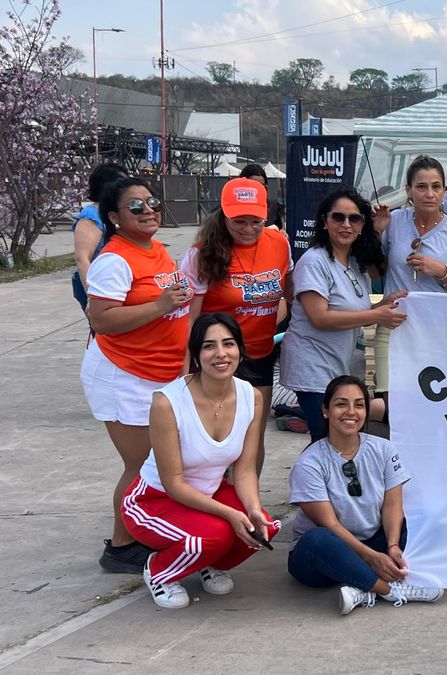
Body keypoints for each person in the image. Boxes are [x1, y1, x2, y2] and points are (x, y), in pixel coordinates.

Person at [121, 314, 279, 609]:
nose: (220, 354)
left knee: (263, 526)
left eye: (228, 344)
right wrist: (231, 515)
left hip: (209, 493)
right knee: (216, 534)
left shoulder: (252, 397)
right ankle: (159, 571)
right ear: (196, 354)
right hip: (154, 500)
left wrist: (253, 509)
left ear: (240, 351)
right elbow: (174, 483)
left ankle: (209, 564)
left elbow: (244, 470)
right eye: (209, 346)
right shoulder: (167, 402)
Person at [81, 176, 193, 573]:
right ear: (113, 217)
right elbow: (102, 319)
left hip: (157, 372)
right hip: (122, 374)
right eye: (136, 206)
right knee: (142, 462)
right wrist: (161, 305)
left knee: (159, 460)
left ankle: (144, 531)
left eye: (152, 202)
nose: (149, 210)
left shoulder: (156, 249)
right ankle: (121, 547)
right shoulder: (115, 259)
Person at [287, 375, 442, 615]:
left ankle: (361, 588)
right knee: (317, 539)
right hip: (323, 558)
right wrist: (372, 558)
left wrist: (391, 546)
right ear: (326, 410)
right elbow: (330, 525)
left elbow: (393, 505)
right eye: (341, 404)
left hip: (373, 541)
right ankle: (388, 590)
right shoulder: (310, 463)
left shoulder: (384, 449)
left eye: (359, 405)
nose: (351, 411)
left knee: (427, 516)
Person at [180, 178, 292, 473]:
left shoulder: (279, 243)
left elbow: (287, 291)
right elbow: (189, 318)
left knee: (252, 436)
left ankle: (248, 503)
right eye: (238, 221)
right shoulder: (202, 254)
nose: (248, 229)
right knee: (216, 436)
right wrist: (186, 371)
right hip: (217, 357)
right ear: (224, 216)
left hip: (259, 354)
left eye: (256, 221)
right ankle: (214, 501)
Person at [279, 189, 404, 441]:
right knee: (328, 439)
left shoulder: (354, 264)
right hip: (312, 368)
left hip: (335, 366)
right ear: (325, 221)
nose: (346, 225)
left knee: (332, 439)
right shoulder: (314, 261)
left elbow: (352, 312)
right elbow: (320, 317)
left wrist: (379, 308)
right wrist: (376, 315)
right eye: (338, 217)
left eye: (354, 219)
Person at [374, 156, 447, 420]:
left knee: (433, 405)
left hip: (438, 330)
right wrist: (376, 233)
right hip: (393, 323)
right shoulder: (394, 221)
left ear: (444, 190)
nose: (429, 194)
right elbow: (375, 270)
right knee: (390, 404)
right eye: (421, 187)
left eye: (436, 186)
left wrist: (442, 271)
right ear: (408, 190)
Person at [71, 162, 128, 313]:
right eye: (123, 184)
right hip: (99, 285)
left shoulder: (115, 213)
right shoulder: (91, 216)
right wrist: (92, 296)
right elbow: (82, 259)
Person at [239, 163, 285, 231]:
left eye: (261, 186)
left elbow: (282, 231)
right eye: (253, 186)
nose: (257, 190)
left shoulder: (275, 209)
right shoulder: (230, 209)